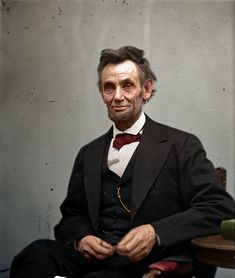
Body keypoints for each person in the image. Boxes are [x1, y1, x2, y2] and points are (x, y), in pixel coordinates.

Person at [10, 46, 234, 278]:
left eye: (127, 85)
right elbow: (72, 213)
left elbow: (220, 208)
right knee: (36, 255)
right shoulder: (89, 153)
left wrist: (155, 232)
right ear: (101, 93)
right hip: (96, 261)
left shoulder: (181, 144)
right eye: (109, 87)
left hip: (149, 264)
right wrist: (81, 239)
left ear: (146, 90)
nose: (117, 96)